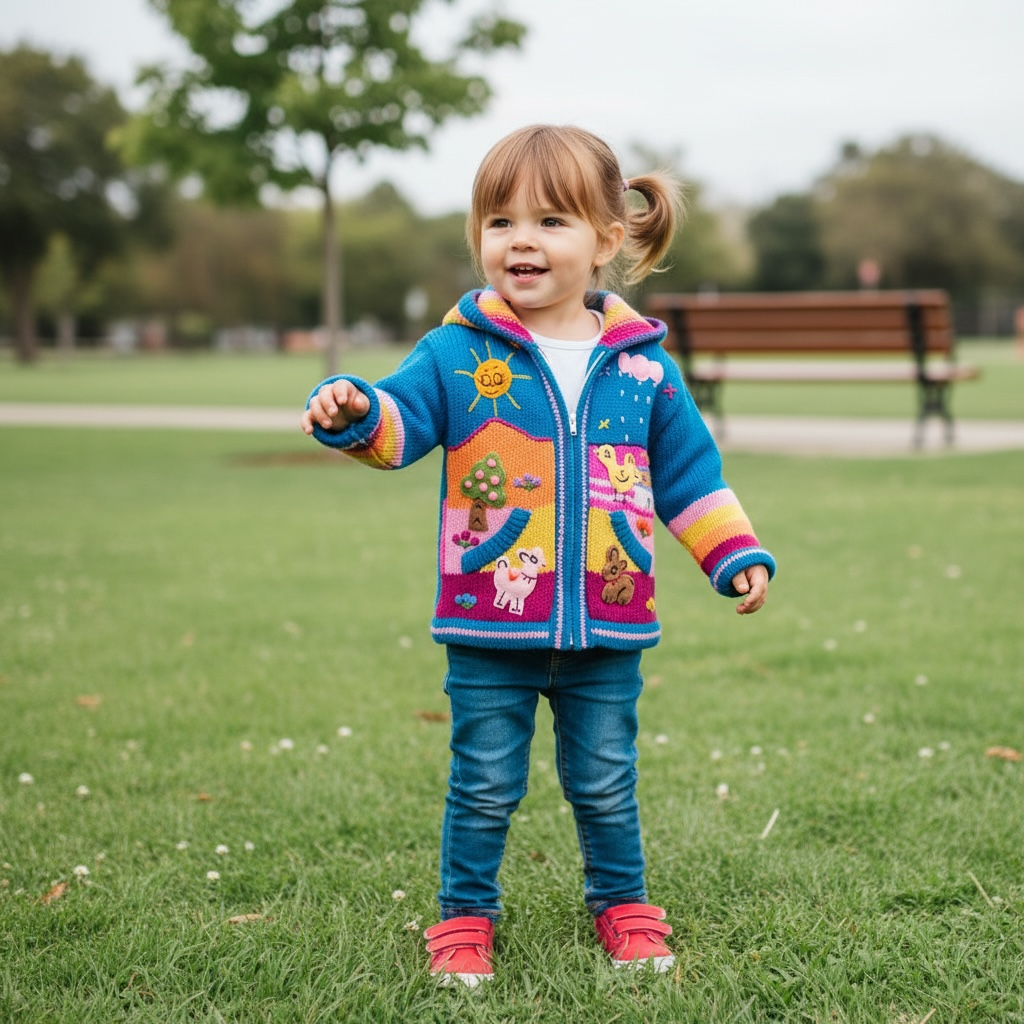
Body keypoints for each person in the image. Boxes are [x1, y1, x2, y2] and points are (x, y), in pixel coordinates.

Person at [301, 124, 775, 987]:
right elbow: (399, 426)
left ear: (606, 240)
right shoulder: (455, 353)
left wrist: (732, 551)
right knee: (484, 784)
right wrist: (356, 411)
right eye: (501, 221)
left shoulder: (643, 368)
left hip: (609, 622)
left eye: (551, 221)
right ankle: (463, 919)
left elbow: (689, 475)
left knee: (605, 782)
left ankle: (623, 906)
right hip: (489, 626)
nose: (521, 239)